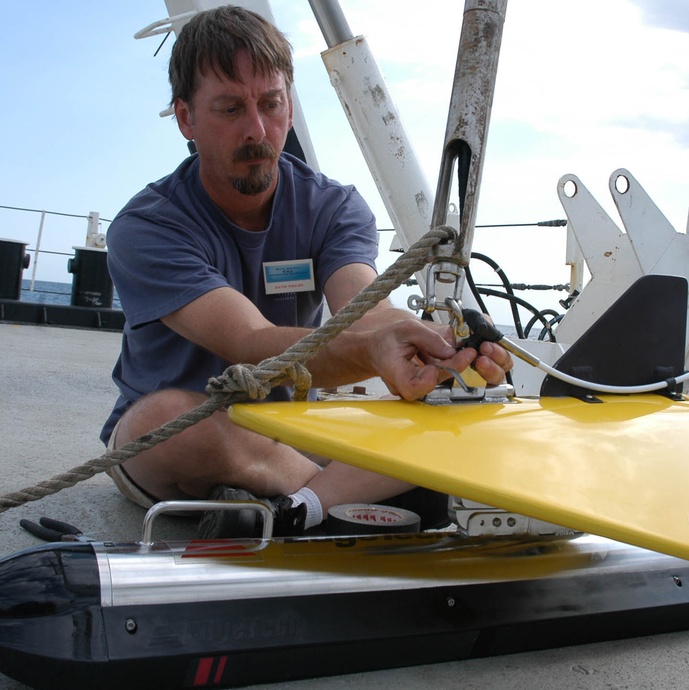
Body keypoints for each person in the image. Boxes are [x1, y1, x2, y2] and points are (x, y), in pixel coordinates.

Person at [100, 5, 512, 536]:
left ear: (289, 105)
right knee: (168, 422)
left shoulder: (333, 207)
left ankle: (301, 507)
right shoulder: (147, 227)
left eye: (271, 104)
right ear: (186, 118)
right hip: (188, 435)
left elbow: (364, 310)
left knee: (459, 409)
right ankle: (340, 499)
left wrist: (438, 348)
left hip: (291, 431)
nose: (257, 130)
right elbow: (250, 341)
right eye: (229, 109)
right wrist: (372, 348)